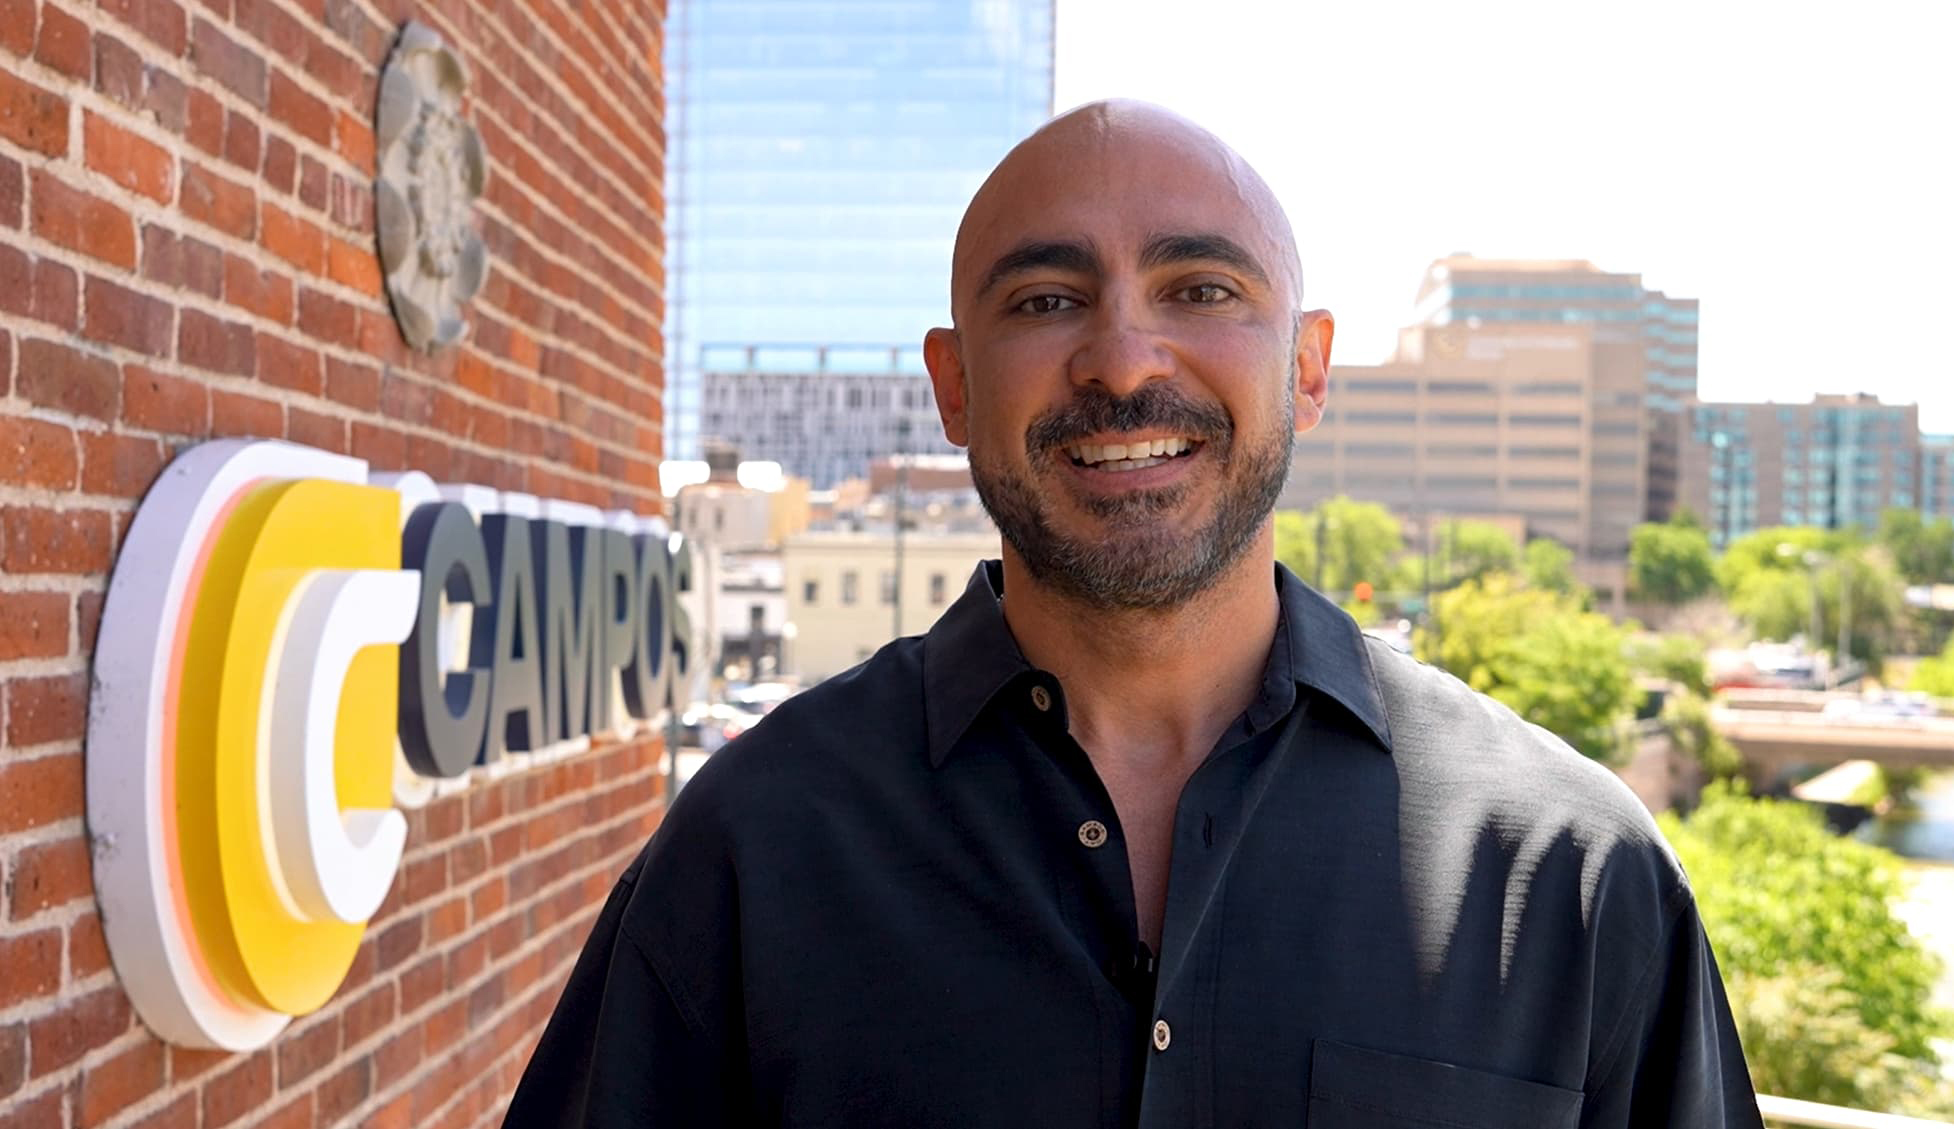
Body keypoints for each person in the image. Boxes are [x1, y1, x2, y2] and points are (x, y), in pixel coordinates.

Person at [503, 100, 1760, 1128]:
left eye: (1201, 289)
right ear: (950, 387)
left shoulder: (1571, 875)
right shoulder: (750, 848)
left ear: (1306, 368)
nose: (1120, 360)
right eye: (1044, 301)